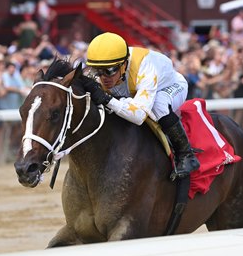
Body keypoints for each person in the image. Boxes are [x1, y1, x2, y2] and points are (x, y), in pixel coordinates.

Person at [82, 32, 200, 179]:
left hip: (170, 86)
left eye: (109, 71)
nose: (104, 77)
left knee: (158, 105)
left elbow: (138, 116)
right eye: (98, 71)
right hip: (134, 90)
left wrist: (107, 99)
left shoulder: (146, 68)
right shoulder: (108, 66)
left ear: (124, 64)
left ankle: (186, 155)